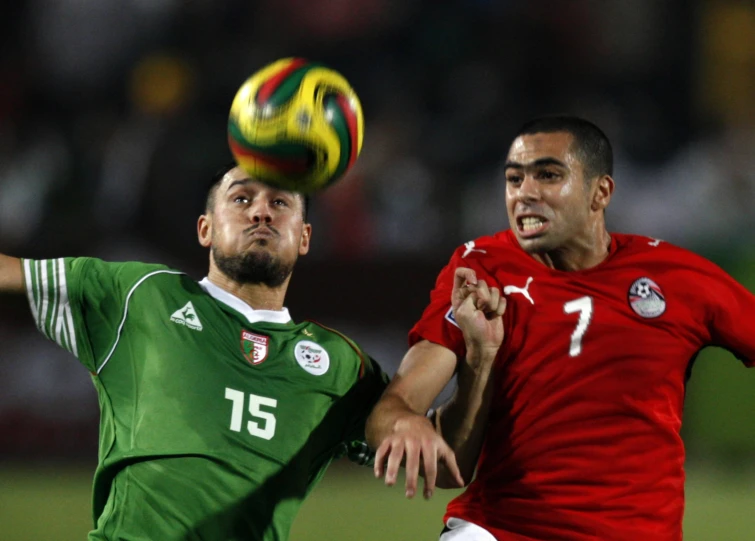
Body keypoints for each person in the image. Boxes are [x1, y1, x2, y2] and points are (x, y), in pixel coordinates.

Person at [366, 115, 755, 541]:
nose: (525, 194)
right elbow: (397, 403)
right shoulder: (482, 270)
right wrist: (407, 421)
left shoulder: (676, 277)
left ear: (600, 192)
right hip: (501, 529)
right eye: (514, 180)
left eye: (548, 175)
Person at [0, 163, 389, 541]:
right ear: (206, 229)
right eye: (240, 199)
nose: (260, 212)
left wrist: (450, 332)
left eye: (280, 203)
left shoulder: (340, 364)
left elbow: (437, 455)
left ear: (304, 237)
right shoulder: (140, 295)